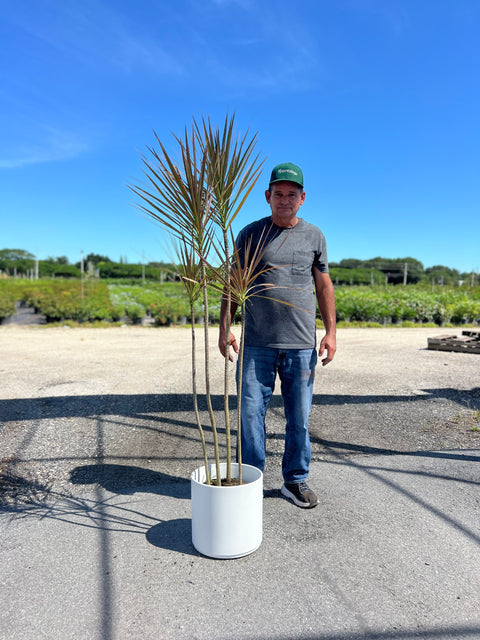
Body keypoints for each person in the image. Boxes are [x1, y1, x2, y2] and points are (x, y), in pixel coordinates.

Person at [218, 162, 336, 508]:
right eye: (278, 194)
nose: (285, 200)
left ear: (302, 198)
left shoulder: (315, 236)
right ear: (268, 197)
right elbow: (232, 284)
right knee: (250, 415)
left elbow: (323, 284)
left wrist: (330, 332)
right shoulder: (250, 234)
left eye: (292, 194)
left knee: (298, 418)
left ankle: (295, 481)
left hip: (301, 345)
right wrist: (225, 329)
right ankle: (251, 480)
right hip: (257, 344)